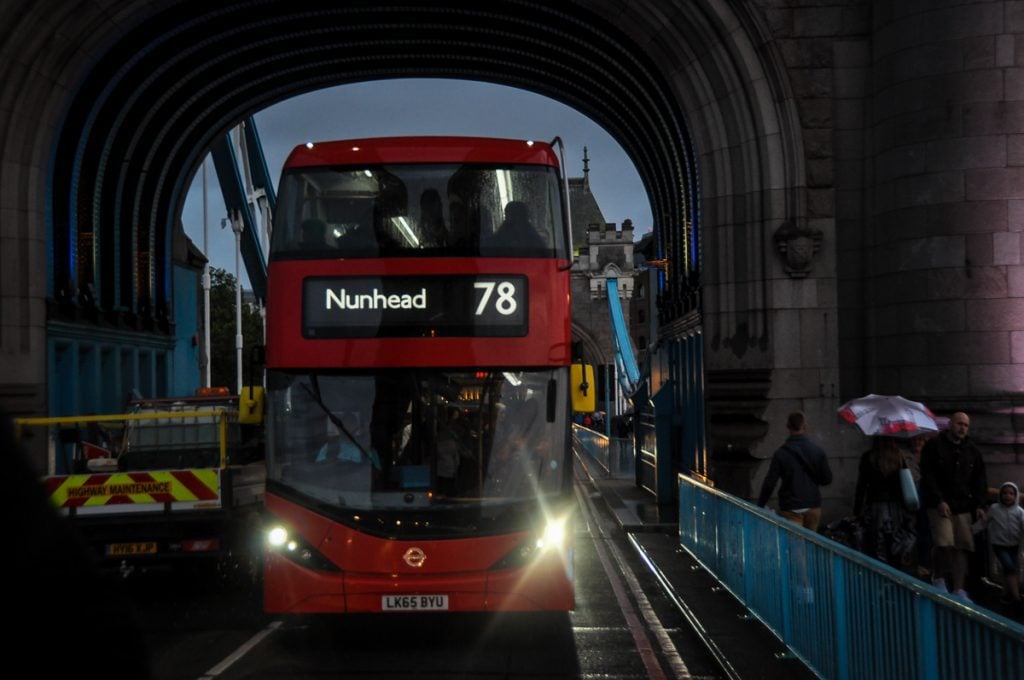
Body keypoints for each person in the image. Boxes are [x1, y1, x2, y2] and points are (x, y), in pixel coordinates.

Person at [920, 411, 988, 602]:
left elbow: (979, 479)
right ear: (950, 424)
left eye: (966, 425)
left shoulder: (972, 450)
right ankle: (939, 577)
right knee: (944, 543)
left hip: (962, 505)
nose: (962, 428)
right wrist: (938, 499)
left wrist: (980, 504)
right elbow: (928, 475)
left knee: (961, 547)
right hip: (940, 503)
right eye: (959, 424)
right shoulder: (934, 446)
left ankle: (958, 588)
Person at [757, 411, 833, 532]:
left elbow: (770, 482)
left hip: (791, 506)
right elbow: (827, 479)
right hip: (812, 504)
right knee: (811, 543)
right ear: (804, 425)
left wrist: (760, 504)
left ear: (788, 426)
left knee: (794, 545)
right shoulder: (817, 451)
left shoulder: (781, 453)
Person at [853, 436, 917, 573]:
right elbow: (905, 484)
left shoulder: (869, 457)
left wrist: (857, 511)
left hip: (875, 506)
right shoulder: (899, 457)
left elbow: (861, 486)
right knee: (895, 542)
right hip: (896, 507)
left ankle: (880, 574)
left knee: (877, 543)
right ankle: (896, 572)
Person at [985, 481, 1023, 612]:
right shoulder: (994, 509)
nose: (1008, 496)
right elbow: (985, 521)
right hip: (999, 545)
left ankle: (1006, 595)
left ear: (1015, 496)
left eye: (1011, 494)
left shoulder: (1019, 512)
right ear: (1000, 495)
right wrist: (972, 530)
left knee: (1011, 570)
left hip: (1014, 545)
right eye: (1005, 493)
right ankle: (1017, 598)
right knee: (1009, 567)